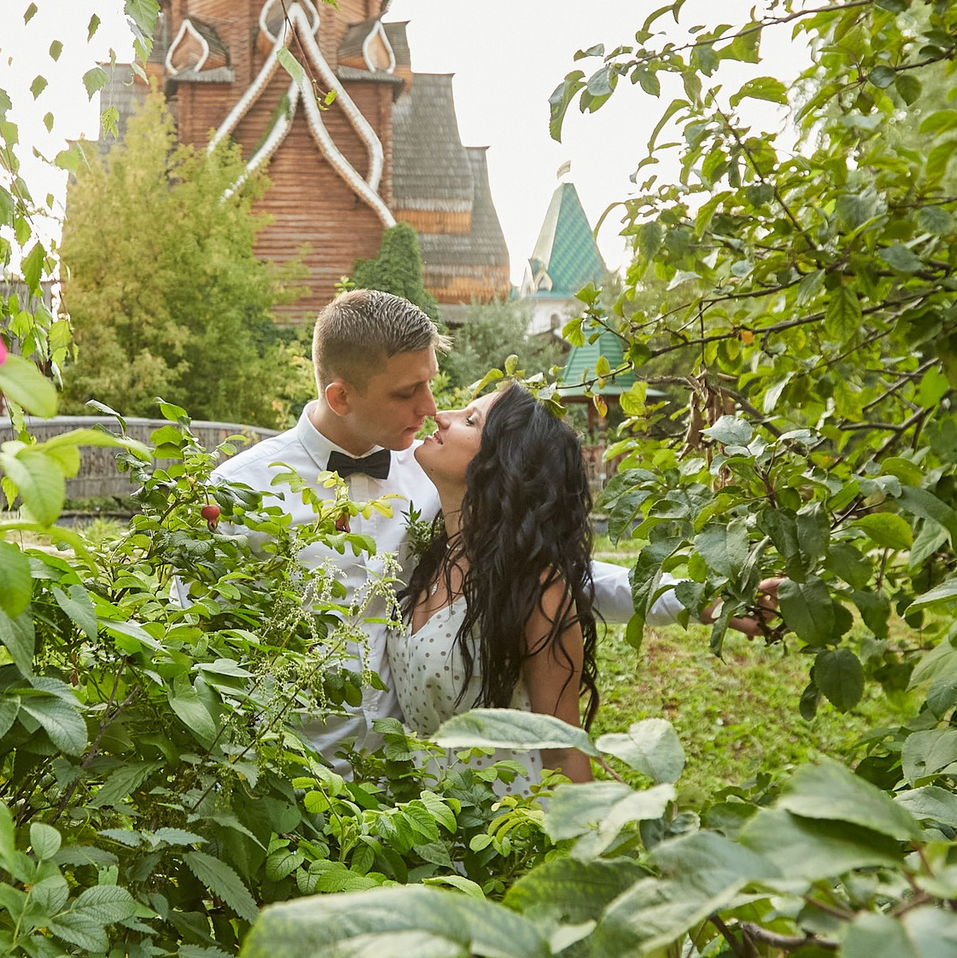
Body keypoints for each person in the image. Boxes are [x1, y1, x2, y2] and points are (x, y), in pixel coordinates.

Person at [210, 288, 668, 760]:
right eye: (408, 392)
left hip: (405, 800)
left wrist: (691, 597)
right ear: (341, 397)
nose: (430, 407)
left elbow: (540, 567)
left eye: (430, 382)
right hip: (283, 781)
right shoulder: (237, 494)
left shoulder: (437, 475)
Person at [389, 383, 595, 787]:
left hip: (506, 832)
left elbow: (563, 750)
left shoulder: (537, 588)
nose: (440, 416)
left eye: (470, 420)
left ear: (503, 463)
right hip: (421, 828)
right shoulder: (426, 561)